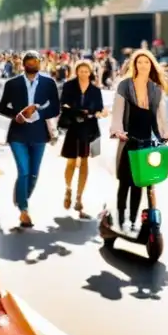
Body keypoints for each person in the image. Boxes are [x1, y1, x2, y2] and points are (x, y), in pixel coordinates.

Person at [109, 48, 168, 231]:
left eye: (146, 62)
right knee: (124, 182)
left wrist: (164, 134)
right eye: (139, 62)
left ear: (151, 65)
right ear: (134, 65)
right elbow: (118, 111)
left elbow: (160, 117)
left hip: (147, 143)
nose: (143, 65)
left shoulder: (155, 90)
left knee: (139, 183)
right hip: (128, 139)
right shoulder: (125, 86)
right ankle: (120, 218)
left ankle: (133, 220)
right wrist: (117, 130)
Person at [0, 50, 61, 229]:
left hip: (39, 134)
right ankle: (24, 210)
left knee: (34, 174)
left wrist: (39, 113)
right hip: (17, 134)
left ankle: (20, 196)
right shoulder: (12, 84)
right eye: (29, 61)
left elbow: (55, 108)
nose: (33, 63)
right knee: (23, 171)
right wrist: (16, 115)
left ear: (40, 63)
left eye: (36, 61)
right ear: (23, 64)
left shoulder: (49, 83)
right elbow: (2, 107)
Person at [59, 59, 105, 219]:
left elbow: (99, 108)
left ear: (90, 72)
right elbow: (63, 105)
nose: (84, 73)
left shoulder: (95, 90)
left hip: (89, 128)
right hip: (73, 127)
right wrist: (76, 112)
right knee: (71, 161)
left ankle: (79, 197)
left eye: (87, 71)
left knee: (85, 161)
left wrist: (99, 113)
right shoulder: (69, 86)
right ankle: (68, 189)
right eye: (81, 71)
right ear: (76, 71)